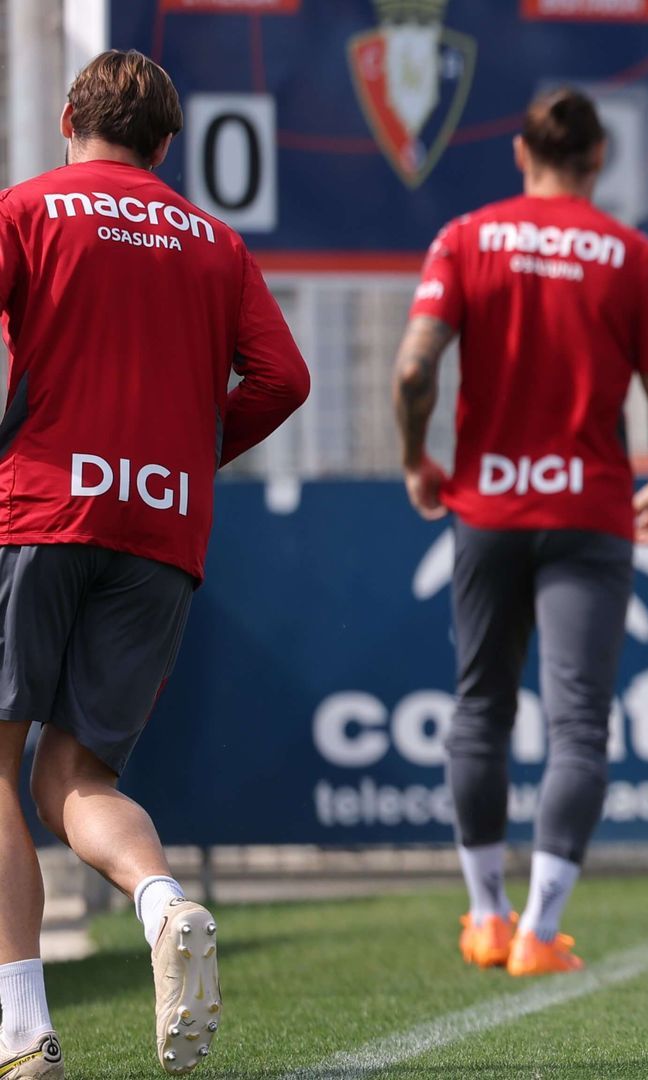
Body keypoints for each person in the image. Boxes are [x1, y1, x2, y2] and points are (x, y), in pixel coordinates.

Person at [0, 50, 309, 1079]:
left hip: (40, 507)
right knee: (77, 776)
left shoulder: (28, 210)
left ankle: (21, 1034)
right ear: (167, 145)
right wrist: (186, 457)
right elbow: (284, 377)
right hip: (161, 528)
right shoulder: (216, 242)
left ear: (68, 119)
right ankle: (163, 901)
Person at [395, 88, 648, 978]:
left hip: (487, 509)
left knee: (480, 707)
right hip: (588, 514)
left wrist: (415, 455)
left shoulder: (465, 238)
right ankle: (539, 931)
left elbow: (414, 370)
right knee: (579, 727)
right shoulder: (633, 256)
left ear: (521, 154)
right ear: (599, 158)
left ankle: (487, 916)